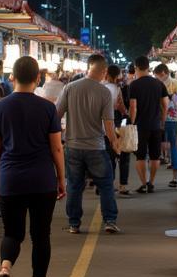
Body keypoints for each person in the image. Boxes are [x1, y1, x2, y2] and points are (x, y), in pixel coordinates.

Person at [0, 55, 66, 277]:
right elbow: (56, 149)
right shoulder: (47, 108)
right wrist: (61, 179)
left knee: (12, 233)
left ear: (12, 77)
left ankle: (5, 267)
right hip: (42, 180)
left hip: (11, 179)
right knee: (41, 235)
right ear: (38, 78)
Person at [55, 53, 120, 234]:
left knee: (74, 186)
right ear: (104, 71)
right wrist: (114, 143)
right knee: (106, 184)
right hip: (96, 147)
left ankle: (74, 223)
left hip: (73, 146)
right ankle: (109, 221)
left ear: (88, 68)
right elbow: (108, 124)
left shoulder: (70, 88)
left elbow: (56, 115)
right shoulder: (104, 92)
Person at [128, 55, 168, 193]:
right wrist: (162, 120)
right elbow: (165, 104)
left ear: (136, 67)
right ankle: (151, 182)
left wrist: (132, 123)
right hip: (156, 125)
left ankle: (143, 183)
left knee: (140, 156)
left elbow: (133, 107)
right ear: (148, 67)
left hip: (140, 126)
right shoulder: (159, 84)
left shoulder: (134, 85)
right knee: (154, 156)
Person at [155, 63, 177, 187]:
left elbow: (162, 105)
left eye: (157, 76)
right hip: (175, 119)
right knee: (173, 146)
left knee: (171, 146)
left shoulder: (161, 85)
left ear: (162, 73)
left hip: (166, 119)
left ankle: (175, 177)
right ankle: (175, 176)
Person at [105, 64, 132, 195]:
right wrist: (126, 113)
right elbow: (121, 106)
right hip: (118, 123)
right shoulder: (117, 89)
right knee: (123, 154)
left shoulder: (101, 88)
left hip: (103, 125)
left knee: (108, 157)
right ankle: (123, 185)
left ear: (107, 74)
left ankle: (107, 184)